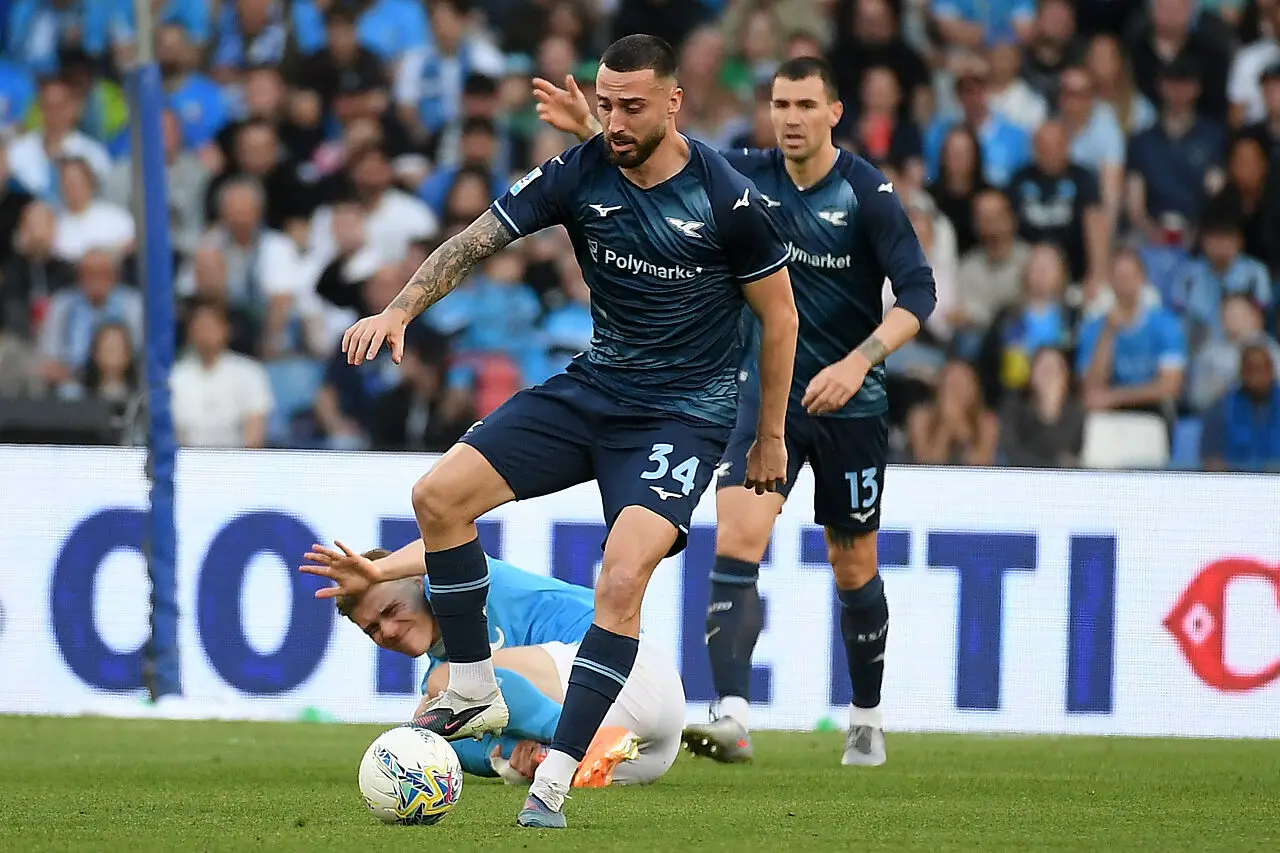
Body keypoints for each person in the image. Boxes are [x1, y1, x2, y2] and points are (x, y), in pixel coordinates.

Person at [307, 34, 798, 830]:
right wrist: (400, 308)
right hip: (597, 385)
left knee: (621, 575)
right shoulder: (582, 170)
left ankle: (558, 774)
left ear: (675, 103)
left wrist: (768, 435)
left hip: (684, 414)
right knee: (437, 496)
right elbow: (477, 240)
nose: (614, 120)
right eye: (604, 104)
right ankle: (471, 683)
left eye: (632, 106)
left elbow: (780, 318)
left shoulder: (729, 198)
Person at [532, 55, 937, 767]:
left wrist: (857, 360)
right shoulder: (747, 177)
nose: (790, 117)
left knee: (853, 565)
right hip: (760, 394)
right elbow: (664, 161)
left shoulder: (868, 194)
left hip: (851, 404)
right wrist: (597, 127)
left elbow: (918, 297)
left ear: (834, 113)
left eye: (806, 105)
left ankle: (866, 716)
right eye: (781, 103)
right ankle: (732, 714)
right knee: (737, 539)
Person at [302, 541, 685, 788]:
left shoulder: (455, 585)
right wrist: (508, 760)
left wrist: (377, 571)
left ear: (418, 582)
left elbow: (444, 543)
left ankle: (576, 742)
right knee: (433, 733)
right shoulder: (442, 677)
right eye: (372, 629)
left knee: (444, 688)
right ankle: (555, 756)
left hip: (626, 669)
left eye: (391, 609)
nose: (387, 630)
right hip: (649, 753)